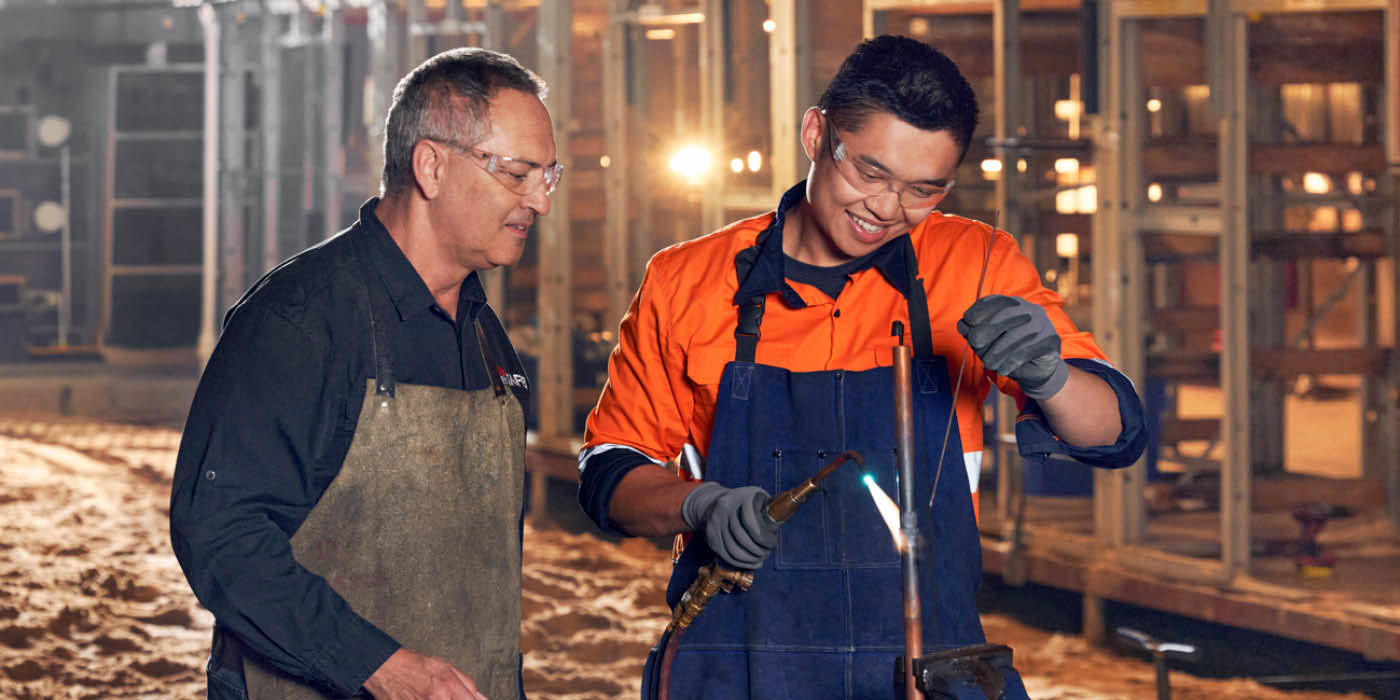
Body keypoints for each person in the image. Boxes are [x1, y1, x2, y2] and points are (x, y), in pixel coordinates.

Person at [577, 35, 1147, 699]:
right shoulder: (688, 281)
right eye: (869, 174)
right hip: (737, 658)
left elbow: (1116, 434)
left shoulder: (973, 262)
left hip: (923, 655)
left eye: (922, 190)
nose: (886, 208)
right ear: (817, 134)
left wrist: (1050, 376)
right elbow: (610, 474)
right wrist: (699, 505)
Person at [170, 47, 560, 700]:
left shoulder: (487, 340)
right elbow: (222, 535)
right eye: (518, 174)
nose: (539, 203)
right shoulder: (298, 324)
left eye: (549, 177)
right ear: (431, 166)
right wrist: (382, 668)